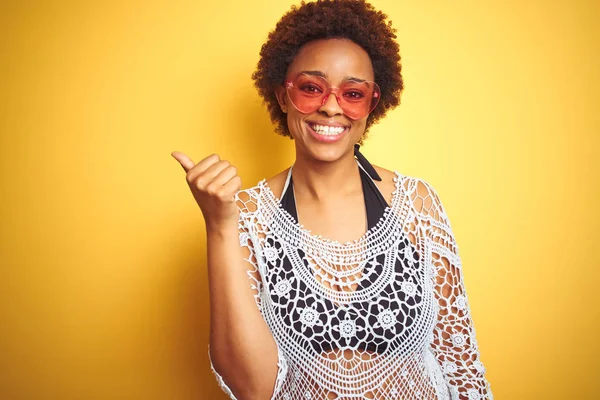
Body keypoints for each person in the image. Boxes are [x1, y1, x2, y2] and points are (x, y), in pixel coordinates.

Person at [171, 0, 493, 399]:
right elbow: (253, 389)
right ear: (282, 95)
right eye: (311, 87)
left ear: (372, 105)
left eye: (352, 93)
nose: (330, 105)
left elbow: (459, 362)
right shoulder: (247, 216)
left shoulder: (416, 204)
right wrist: (220, 225)